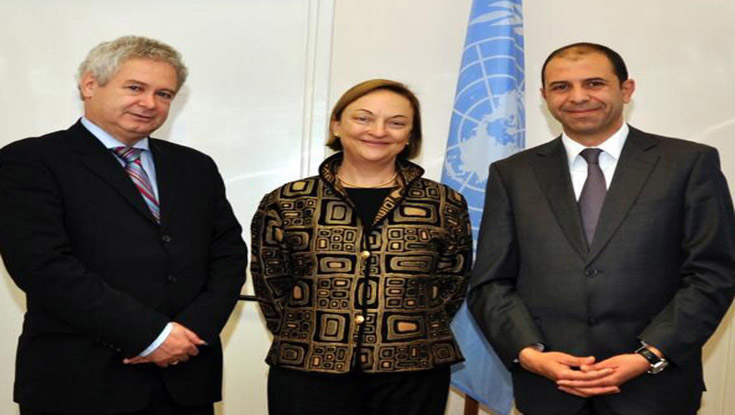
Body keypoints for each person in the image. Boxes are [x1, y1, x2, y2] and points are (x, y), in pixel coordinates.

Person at [468, 42, 735, 415]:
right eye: (561, 87)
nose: (578, 97)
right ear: (544, 96)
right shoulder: (512, 174)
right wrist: (530, 354)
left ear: (626, 89)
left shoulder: (688, 164)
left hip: (655, 389)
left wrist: (649, 354)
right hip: (550, 390)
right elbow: (491, 282)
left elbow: (713, 274)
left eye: (594, 83)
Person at [0, 36, 247, 415]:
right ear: (89, 85)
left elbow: (228, 255)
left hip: (186, 378)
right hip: (80, 385)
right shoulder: (30, 160)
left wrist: (190, 333)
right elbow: (43, 267)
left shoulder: (196, 166)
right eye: (135, 88)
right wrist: (153, 336)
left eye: (164, 94)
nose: (149, 103)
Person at [250, 79, 472, 415]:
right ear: (336, 125)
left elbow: (451, 284)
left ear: (410, 135)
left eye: (396, 122)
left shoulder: (444, 203)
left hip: (412, 372)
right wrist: (313, 331)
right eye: (363, 118)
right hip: (309, 370)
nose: (378, 131)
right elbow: (271, 284)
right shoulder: (287, 201)